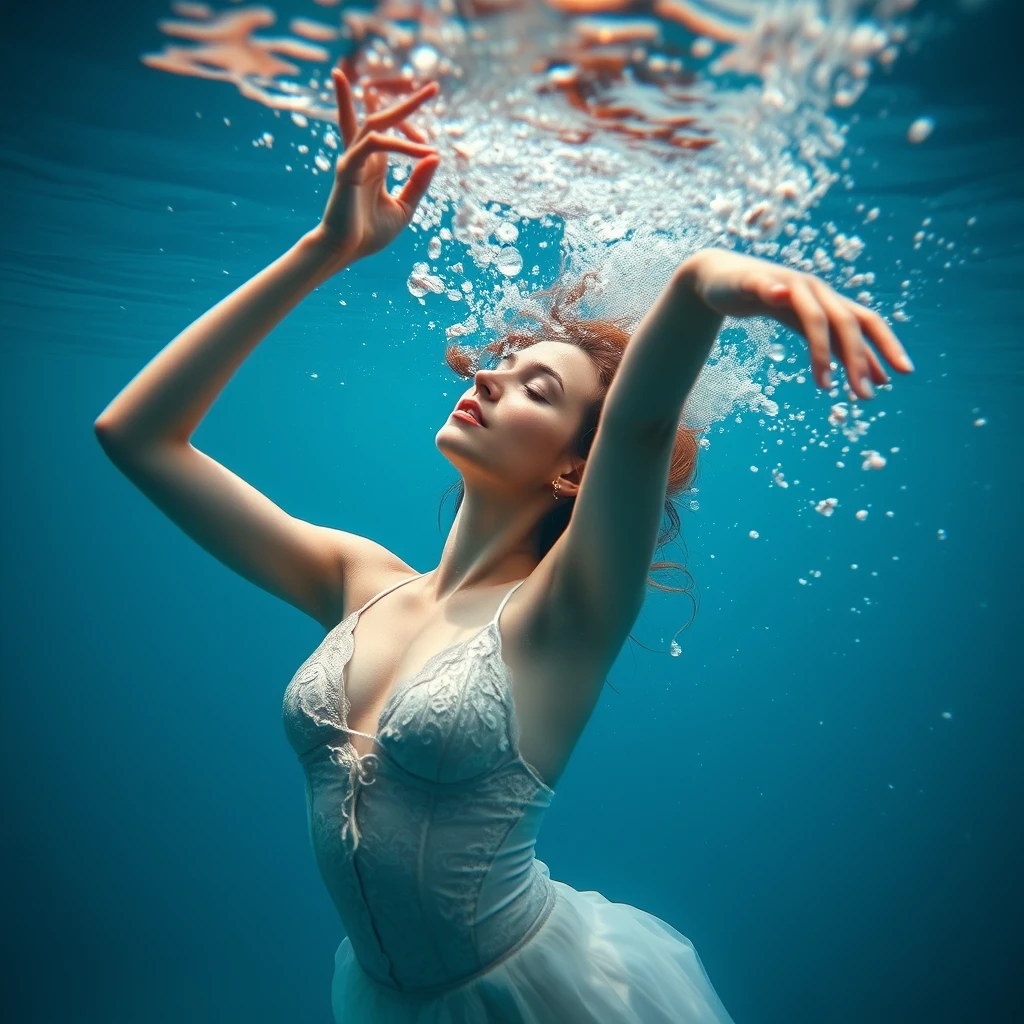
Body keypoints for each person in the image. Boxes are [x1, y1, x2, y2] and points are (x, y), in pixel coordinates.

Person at [94, 67, 913, 1023]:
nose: (487, 381)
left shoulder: (565, 614)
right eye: (498, 365)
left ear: (575, 469)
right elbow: (138, 437)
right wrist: (325, 249)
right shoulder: (358, 579)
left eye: (535, 390)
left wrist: (705, 284)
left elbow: (643, 424)